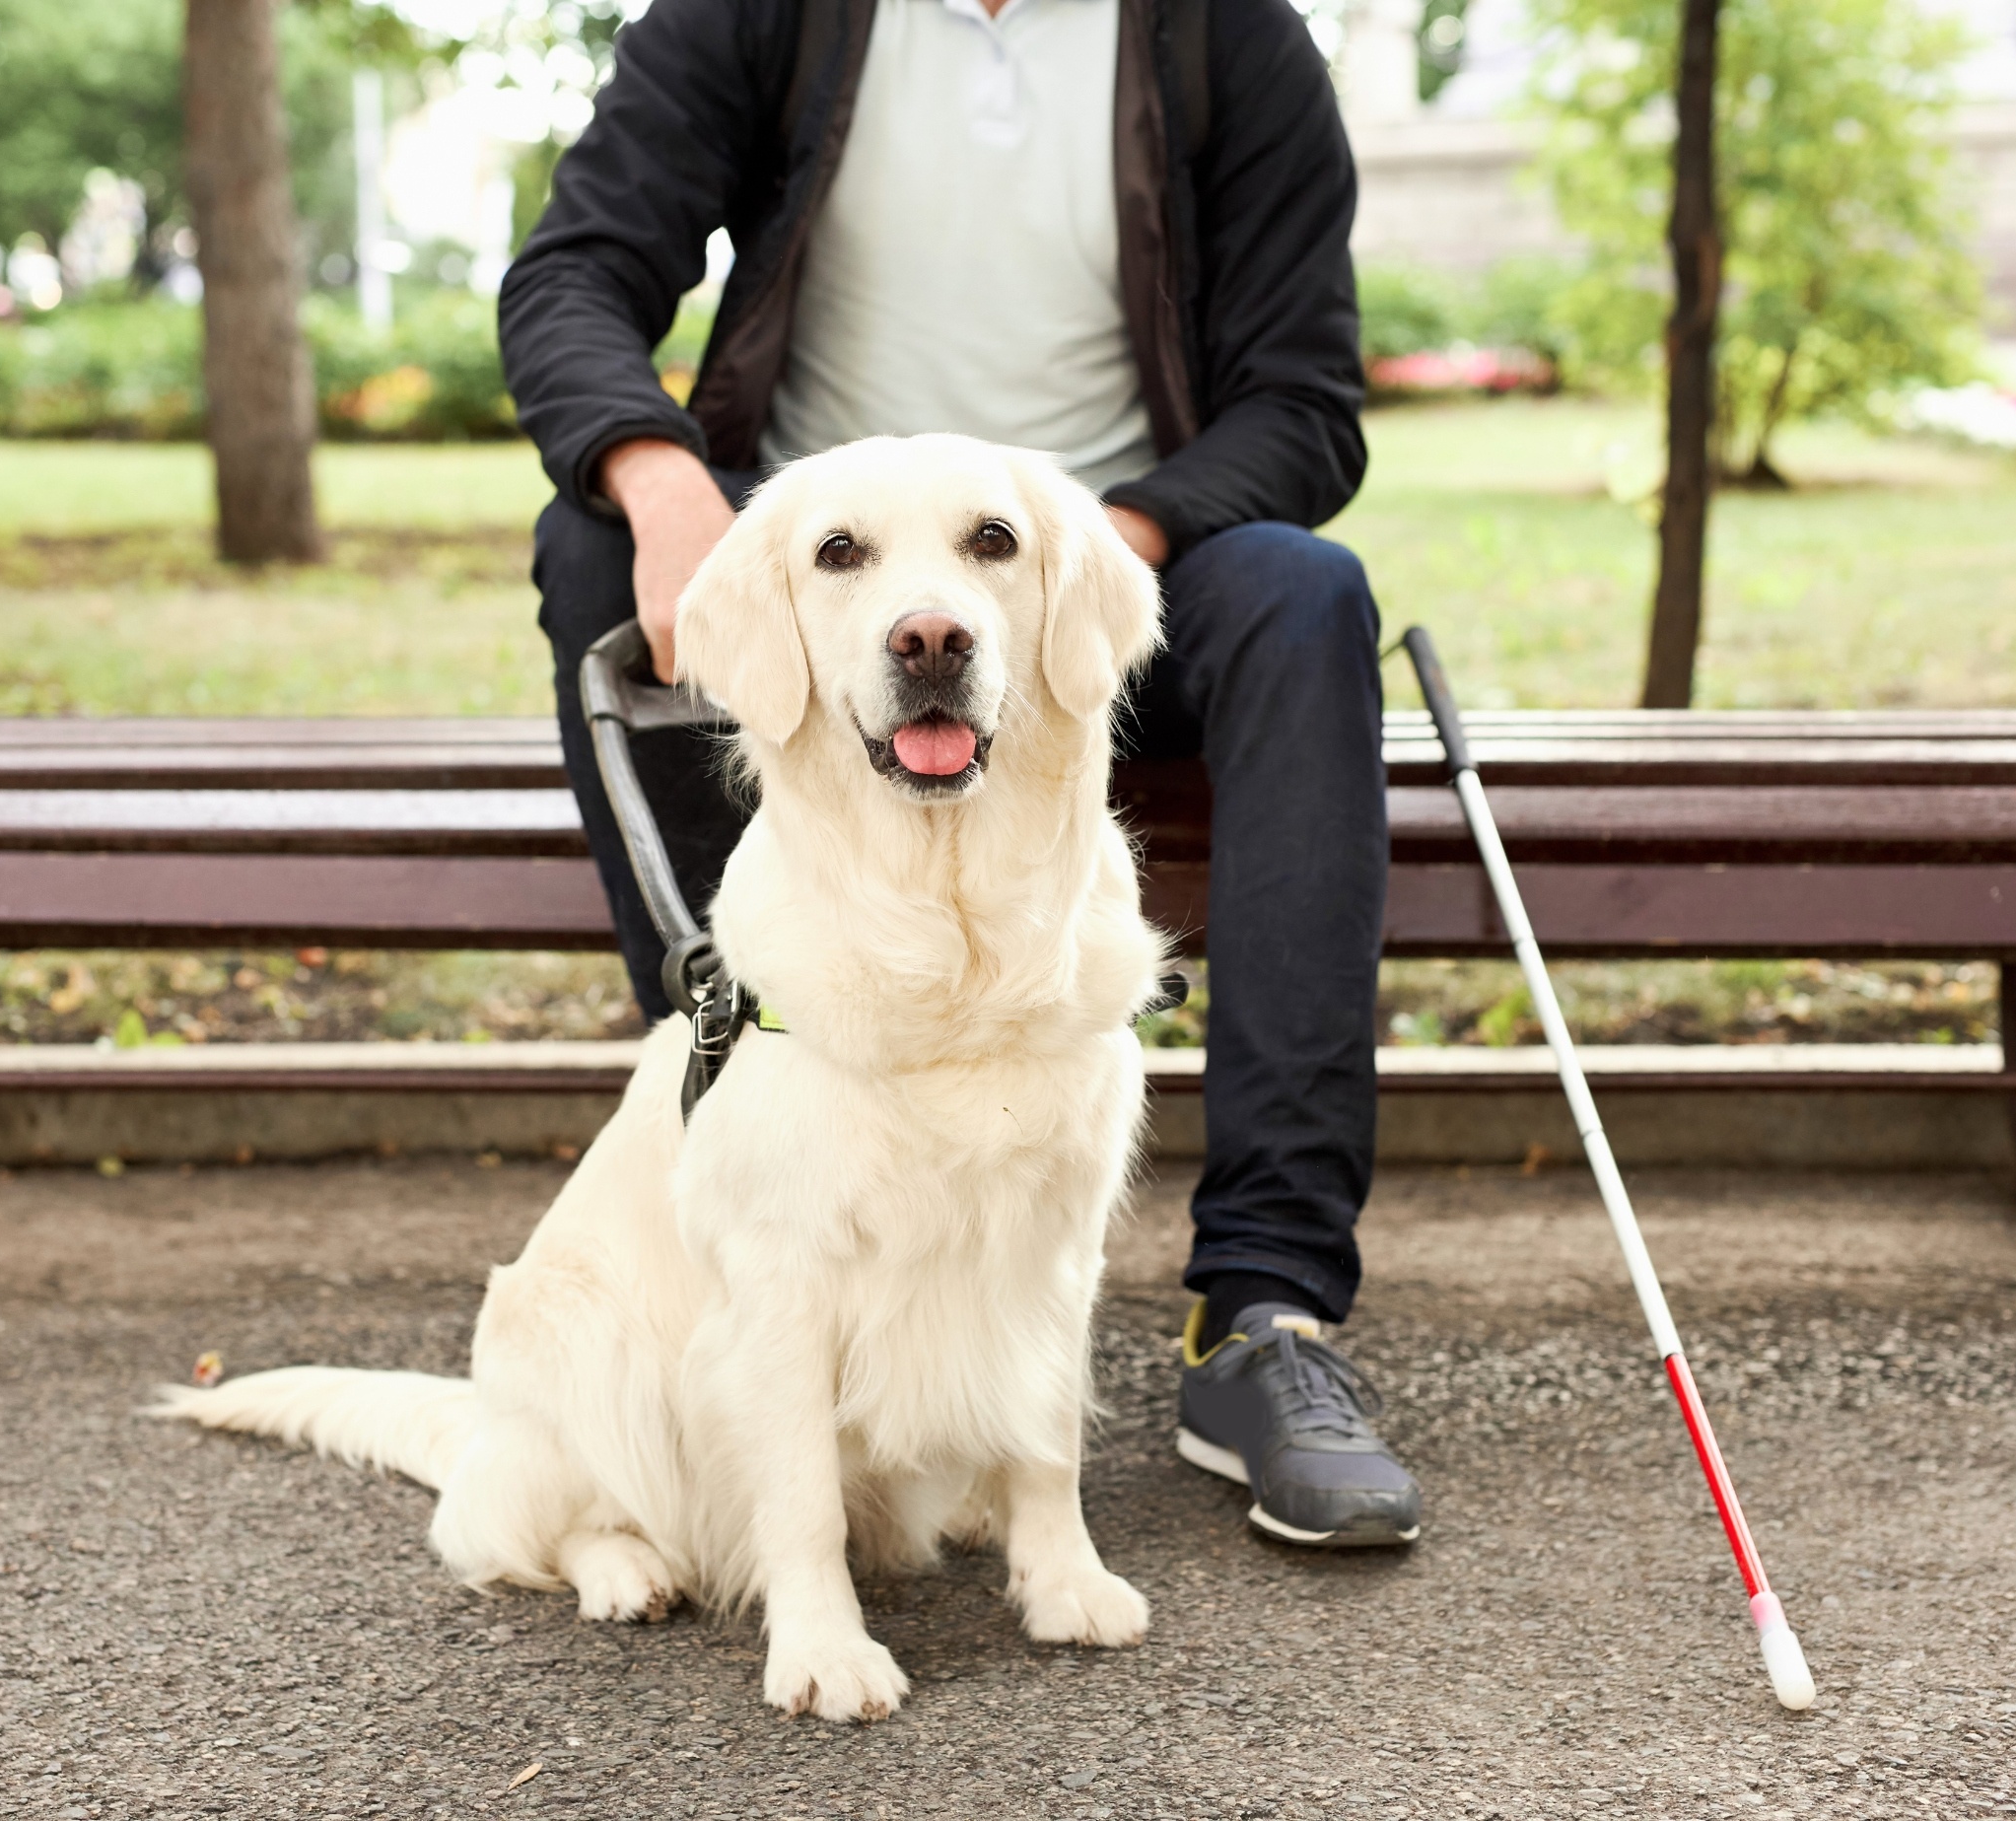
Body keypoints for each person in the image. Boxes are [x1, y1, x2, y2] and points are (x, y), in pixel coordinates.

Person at [499, 0, 1421, 1548]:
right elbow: (574, 278)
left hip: (1110, 568)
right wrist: (656, 480)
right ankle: (747, 1182)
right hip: (834, 595)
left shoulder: (1225, 35)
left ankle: (1264, 1315)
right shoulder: (756, 15)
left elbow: (1303, 404)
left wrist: (1079, 552)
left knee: (1311, 592)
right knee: (592, 538)